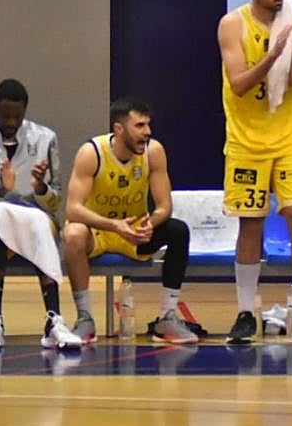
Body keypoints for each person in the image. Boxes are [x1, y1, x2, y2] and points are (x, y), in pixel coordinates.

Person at [218, 0, 292, 344]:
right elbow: (240, 83)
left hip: (290, 134)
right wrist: (273, 53)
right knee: (251, 222)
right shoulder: (232, 24)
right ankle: (246, 312)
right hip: (247, 138)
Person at [0, 78, 81, 351]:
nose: (11, 122)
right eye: (5, 116)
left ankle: (54, 320)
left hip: (33, 215)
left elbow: (56, 201)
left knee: (38, 221)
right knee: (0, 215)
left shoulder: (45, 138)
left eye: (17, 116)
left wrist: (41, 188)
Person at [61, 98, 198, 345]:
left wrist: (151, 223)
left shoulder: (153, 151)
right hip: (99, 232)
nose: (147, 132)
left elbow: (164, 206)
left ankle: (167, 316)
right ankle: (84, 318)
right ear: (119, 129)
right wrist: (115, 225)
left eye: (148, 125)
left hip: (134, 232)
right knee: (73, 234)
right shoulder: (91, 153)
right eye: (140, 125)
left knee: (178, 230)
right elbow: (73, 209)